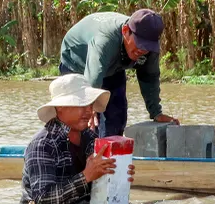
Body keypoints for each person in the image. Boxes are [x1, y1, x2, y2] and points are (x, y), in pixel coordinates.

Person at [20, 74, 135, 204]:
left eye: (90, 104)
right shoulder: (42, 145)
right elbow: (43, 201)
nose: (89, 110)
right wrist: (86, 176)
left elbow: (98, 185)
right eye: (82, 104)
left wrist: (117, 175)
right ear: (60, 107)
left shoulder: (90, 137)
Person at [59, 9, 179, 137]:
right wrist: (89, 106)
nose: (143, 50)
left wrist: (156, 113)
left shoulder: (149, 48)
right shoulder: (105, 40)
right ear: (126, 31)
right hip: (76, 61)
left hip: (113, 66)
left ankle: (109, 153)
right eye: (139, 44)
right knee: (82, 118)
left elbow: (149, 77)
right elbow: (93, 75)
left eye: (147, 46)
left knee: (117, 118)